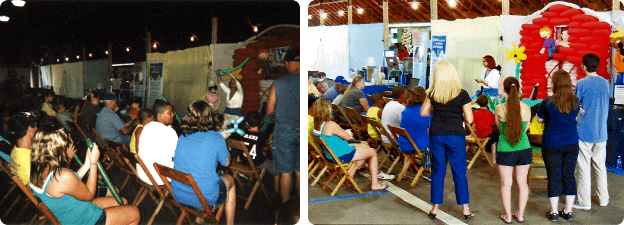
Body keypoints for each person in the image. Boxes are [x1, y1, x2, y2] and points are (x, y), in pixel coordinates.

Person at [28, 123, 140, 225]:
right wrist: (93, 163)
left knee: (123, 201)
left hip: (73, 211)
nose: (70, 143)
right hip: (85, 220)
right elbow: (90, 195)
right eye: (67, 142)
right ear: (58, 149)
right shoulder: (62, 176)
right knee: (135, 213)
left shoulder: (35, 171)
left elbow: (68, 184)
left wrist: (87, 164)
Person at [420, 60, 474, 221]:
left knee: (438, 172)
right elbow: (469, 119)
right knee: (459, 173)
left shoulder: (433, 93)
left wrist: (433, 107)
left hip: (437, 134)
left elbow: (423, 113)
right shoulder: (462, 93)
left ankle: (435, 208)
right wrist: (458, 114)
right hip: (456, 135)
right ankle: (465, 209)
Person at [172, 100, 236, 225]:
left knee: (199, 176)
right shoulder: (216, 138)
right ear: (209, 117)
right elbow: (227, 163)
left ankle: (199, 219)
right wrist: (224, 142)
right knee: (230, 180)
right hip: (204, 200)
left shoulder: (182, 137)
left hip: (179, 195)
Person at [313, 98, 386, 191]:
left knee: (364, 145)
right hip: (341, 154)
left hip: (331, 154)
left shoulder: (316, 125)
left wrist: (343, 132)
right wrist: (347, 133)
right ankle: (375, 184)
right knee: (373, 152)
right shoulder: (329, 124)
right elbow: (349, 138)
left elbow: (332, 136)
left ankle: (351, 172)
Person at [536, 70, 580, 221]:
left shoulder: (547, 102)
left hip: (552, 143)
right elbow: (575, 115)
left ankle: (554, 212)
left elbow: (540, 120)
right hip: (571, 142)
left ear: (554, 84)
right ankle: (568, 211)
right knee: (568, 175)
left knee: (553, 176)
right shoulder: (575, 101)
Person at [574, 53, 610, 210]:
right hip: (601, 132)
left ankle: (584, 202)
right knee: (600, 167)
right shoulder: (605, 83)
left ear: (584, 66)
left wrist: (580, 109)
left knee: (583, 168)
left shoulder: (581, 83)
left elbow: (575, 106)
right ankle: (604, 199)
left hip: (584, 132)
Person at [494, 77, 532, 223]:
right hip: (524, 149)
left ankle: (508, 216)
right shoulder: (527, 108)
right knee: (522, 183)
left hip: (505, 149)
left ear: (504, 90)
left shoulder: (499, 108)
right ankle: (520, 215)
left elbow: (499, 128)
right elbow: (526, 128)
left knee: (506, 184)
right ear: (519, 89)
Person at [266, 49, 300, 203]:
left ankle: (286, 210)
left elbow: (269, 110)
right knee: (300, 171)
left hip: (284, 131)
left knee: (285, 172)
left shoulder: (278, 84)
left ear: (287, 64)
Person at [229, 111, 280, 200]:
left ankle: (250, 180)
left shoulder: (242, 134)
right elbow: (265, 152)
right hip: (257, 162)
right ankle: (276, 192)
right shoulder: (262, 136)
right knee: (277, 172)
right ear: (261, 122)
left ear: (247, 123)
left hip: (244, 160)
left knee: (250, 157)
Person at [137, 101, 178, 185]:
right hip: (158, 177)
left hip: (143, 173)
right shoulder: (169, 132)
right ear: (160, 115)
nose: (173, 115)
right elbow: (177, 155)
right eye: (170, 112)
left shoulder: (147, 127)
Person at [7, 111, 39, 185]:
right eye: (36, 125)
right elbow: (33, 187)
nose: (37, 128)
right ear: (30, 128)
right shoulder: (26, 160)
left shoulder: (16, 149)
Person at [398, 86, 431, 156]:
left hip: (403, 146)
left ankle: (407, 166)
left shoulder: (406, 109)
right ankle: (427, 166)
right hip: (419, 147)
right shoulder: (425, 111)